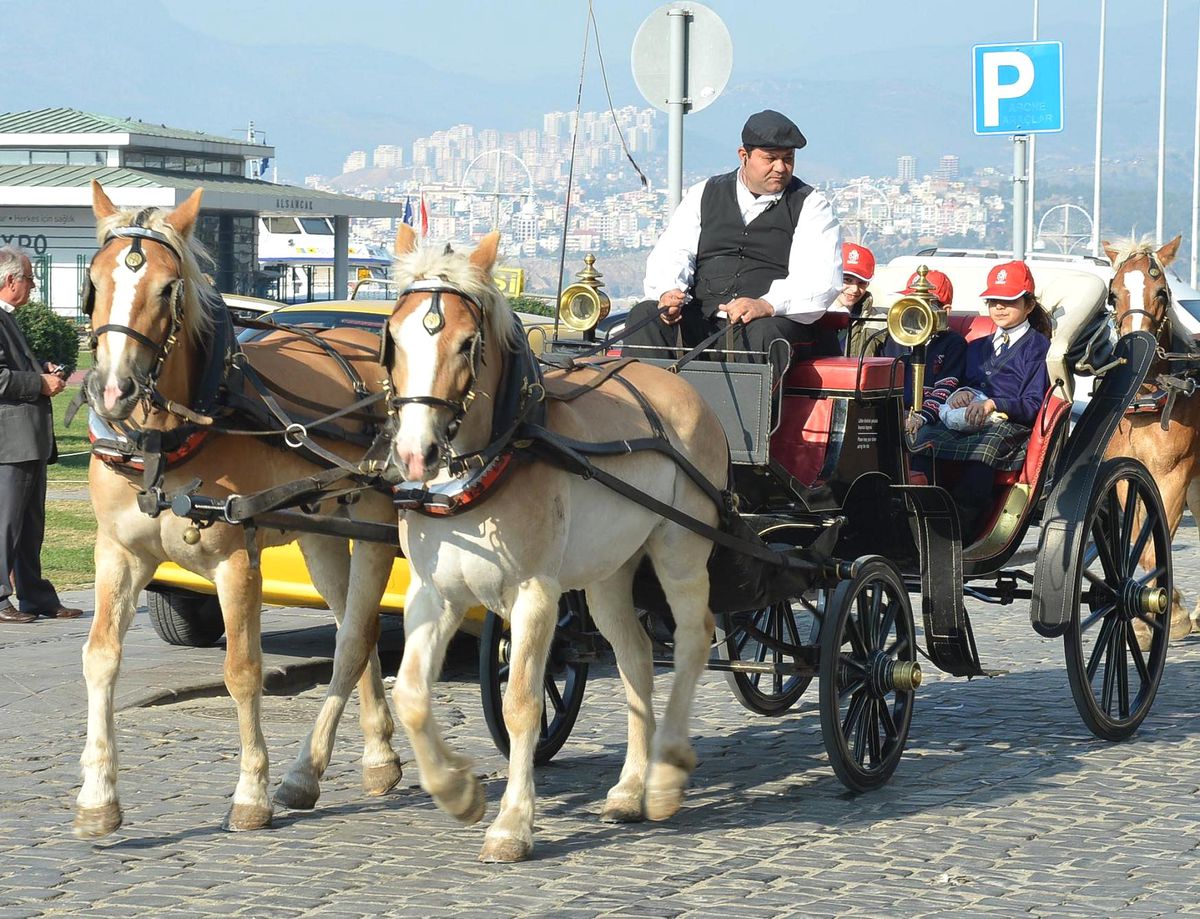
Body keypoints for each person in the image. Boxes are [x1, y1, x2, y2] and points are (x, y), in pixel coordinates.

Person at [625, 109, 842, 384]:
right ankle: (644, 413)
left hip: (764, 326)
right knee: (645, 314)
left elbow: (819, 279)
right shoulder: (704, 193)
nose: (780, 167)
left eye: (788, 160)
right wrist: (669, 292)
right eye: (770, 159)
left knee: (764, 332)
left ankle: (746, 424)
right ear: (744, 156)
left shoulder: (810, 205)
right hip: (703, 320)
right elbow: (674, 251)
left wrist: (766, 304)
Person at [910, 260, 1052, 540]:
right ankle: (918, 513)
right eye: (993, 301)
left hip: (1008, 425)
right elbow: (961, 384)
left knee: (983, 451)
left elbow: (1034, 402)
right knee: (924, 438)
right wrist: (959, 393)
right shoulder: (976, 348)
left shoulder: (1039, 348)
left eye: (1008, 301)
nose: (999, 307)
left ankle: (963, 526)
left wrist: (994, 404)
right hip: (967, 417)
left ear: (1029, 306)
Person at [0, 247, 81, 623]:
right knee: (6, 523)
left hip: (29, 440)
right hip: (10, 443)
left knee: (31, 527)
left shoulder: (9, 318)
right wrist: (39, 382)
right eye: (30, 279)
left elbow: (12, 367)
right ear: (10, 280)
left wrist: (41, 368)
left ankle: (35, 596)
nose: (33, 286)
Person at [886, 269, 968, 441]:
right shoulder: (894, 338)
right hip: (894, 412)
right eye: (912, 303)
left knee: (917, 439)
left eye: (924, 304)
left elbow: (945, 389)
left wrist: (920, 417)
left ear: (944, 311)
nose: (915, 311)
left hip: (931, 417)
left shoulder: (953, 343)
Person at [840, 242, 884, 358]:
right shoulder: (811, 316)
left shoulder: (882, 324)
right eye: (847, 280)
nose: (854, 289)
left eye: (861, 283)